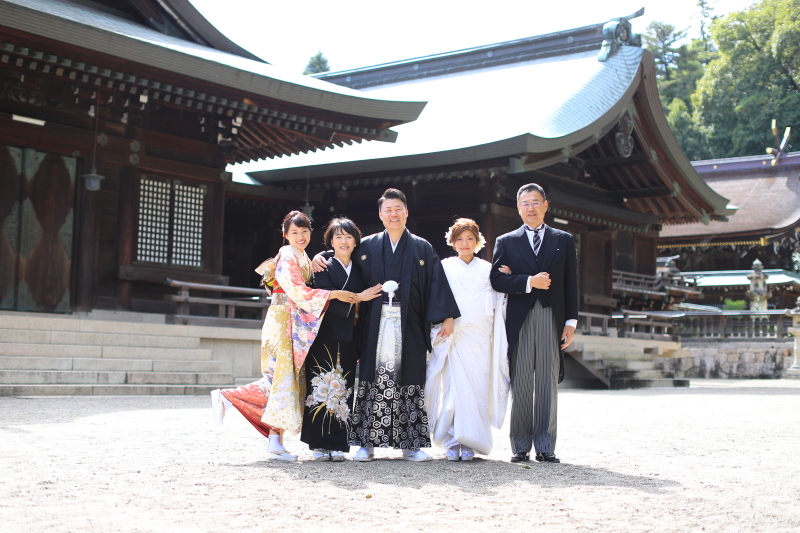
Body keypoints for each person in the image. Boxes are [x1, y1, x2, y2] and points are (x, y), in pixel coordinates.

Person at [312, 188, 460, 462]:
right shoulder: (366, 245)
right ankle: (366, 442)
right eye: (388, 209)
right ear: (380, 214)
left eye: (398, 208)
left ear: (406, 212)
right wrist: (320, 256)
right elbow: (342, 254)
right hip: (373, 324)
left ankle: (411, 444)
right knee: (371, 379)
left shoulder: (422, 247)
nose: (393, 213)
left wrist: (448, 315)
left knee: (411, 379)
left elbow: (436, 281)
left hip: (409, 324)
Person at [210, 211, 358, 462]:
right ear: (285, 235)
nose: (300, 237)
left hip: (293, 320)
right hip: (283, 321)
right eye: (294, 233)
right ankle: (230, 397)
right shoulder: (288, 255)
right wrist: (334, 294)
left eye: (304, 231)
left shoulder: (302, 255)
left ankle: (274, 441)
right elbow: (298, 291)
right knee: (280, 379)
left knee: (286, 383)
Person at [490, 183, 578, 464]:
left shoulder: (563, 239)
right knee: (523, 380)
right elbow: (496, 279)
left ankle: (546, 445)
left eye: (535, 202)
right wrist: (529, 281)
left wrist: (571, 322)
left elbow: (570, 283)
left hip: (552, 316)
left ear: (545, 205)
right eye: (525, 203)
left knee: (548, 381)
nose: (531, 207)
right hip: (520, 317)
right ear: (518, 208)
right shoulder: (506, 241)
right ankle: (520, 444)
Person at [425, 218, 510, 461]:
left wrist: (506, 278)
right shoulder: (444, 266)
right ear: (453, 242)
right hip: (453, 333)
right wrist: (447, 317)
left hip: (479, 335)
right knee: (453, 387)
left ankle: (472, 440)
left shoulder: (487, 268)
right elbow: (437, 295)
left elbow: (497, 297)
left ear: (478, 241)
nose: (465, 243)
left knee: (477, 386)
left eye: (469, 239)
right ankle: (452, 440)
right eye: (460, 239)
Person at [300, 218, 382, 461]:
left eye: (348, 237)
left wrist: (358, 298)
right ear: (331, 241)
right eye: (338, 237)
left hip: (349, 336)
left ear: (356, 241)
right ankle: (317, 444)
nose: (343, 241)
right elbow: (322, 296)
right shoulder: (323, 265)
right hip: (324, 333)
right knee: (320, 386)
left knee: (343, 389)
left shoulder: (360, 268)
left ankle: (338, 443)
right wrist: (360, 297)